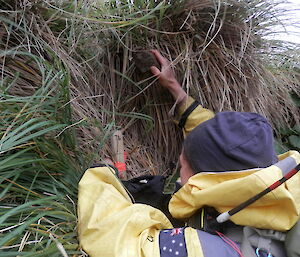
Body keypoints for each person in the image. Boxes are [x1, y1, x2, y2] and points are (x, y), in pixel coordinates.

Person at [77, 50, 300, 257]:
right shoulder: (268, 182)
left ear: (202, 181)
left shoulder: (206, 250)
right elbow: (214, 142)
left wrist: (103, 174)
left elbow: (108, 235)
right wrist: (175, 89)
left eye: (182, 165)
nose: (179, 170)